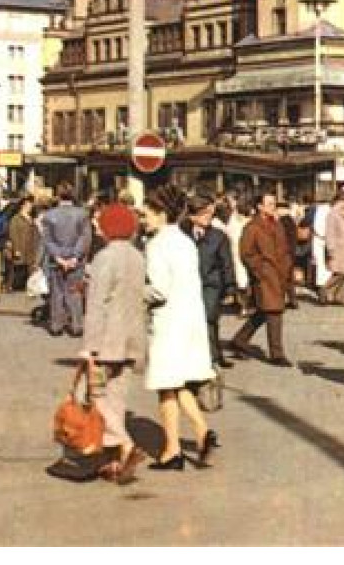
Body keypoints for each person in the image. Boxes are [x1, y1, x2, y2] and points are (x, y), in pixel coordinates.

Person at [141, 186, 217, 471]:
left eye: (147, 214)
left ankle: (173, 451)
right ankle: (199, 432)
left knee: (165, 386)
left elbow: (159, 290)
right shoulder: (185, 241)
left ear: (161, 214)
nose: (144, 219)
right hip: (190, 321)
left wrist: (135, 289)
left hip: (168, 322)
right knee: (179, 382)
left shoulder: (157, 244)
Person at [75, 200, 148, 484]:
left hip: (107, 340)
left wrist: (88, 346)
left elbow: (97, 305)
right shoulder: (138, 257)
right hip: (132, 338)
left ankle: (126, 444)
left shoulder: (104, 258)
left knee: (95, 394)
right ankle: (114, 462)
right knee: (117, 398)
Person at [230, 190, 293, 366]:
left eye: (274, 203)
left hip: (279, 274)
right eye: (270, 203)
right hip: (265, 276)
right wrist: (260, 270)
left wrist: (287, 266)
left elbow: (285, 248)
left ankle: (240, 340)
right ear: (259, 207)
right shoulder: (252, 227)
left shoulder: (277, 224)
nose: (274, 207)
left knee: (265, 311)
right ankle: (277, 354)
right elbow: (246, 253)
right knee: (274, 311)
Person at [184, 195, 237, 369]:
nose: (207, 217)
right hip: (189, 284)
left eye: (209, 214)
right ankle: (194, 355)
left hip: (211, 284)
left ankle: (214, 357)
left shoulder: (218, 236)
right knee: (191, 320)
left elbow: (227, 263)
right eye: (202, 214)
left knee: (209, 318)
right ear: (192, 216)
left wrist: (230, 288)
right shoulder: (183, 234)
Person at [40, 186, 92, 337]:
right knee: (75, 292)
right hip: (76, 260)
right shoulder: (82, 214)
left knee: (56, 292)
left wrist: (58, 257)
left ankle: (57, 325)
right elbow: (85, 238)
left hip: (56, 259)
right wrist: (75, 257)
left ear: (58, 196)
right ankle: (76, 326)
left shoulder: (49, 215)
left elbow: (47, 240)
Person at [7, 198, 40, 292]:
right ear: (22, 205)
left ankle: (30, 286)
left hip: (31, 246)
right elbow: (13, 234)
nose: (30, 207)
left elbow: (35, 233)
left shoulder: (31, 218)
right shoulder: (16, 218)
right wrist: (16, 249)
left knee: (30, 266)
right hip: (20, 245)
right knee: (16, 266)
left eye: (31, 205)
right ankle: (10, 285)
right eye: (28, 205)